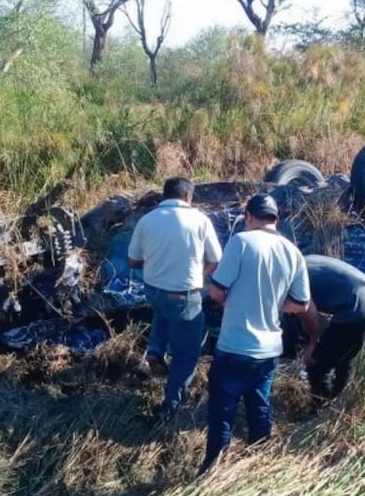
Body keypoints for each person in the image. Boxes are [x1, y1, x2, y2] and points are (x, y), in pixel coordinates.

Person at [200, 193, 311, 474]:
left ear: (248, 216)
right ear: (276, 219)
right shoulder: (293, 252)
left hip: (235, 346)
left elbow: (216, 290)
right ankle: (259, 469)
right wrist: (273, 303)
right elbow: (302, 304)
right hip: (269, 350)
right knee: (260, 410)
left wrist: (232, 300)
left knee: (222, 414)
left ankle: (212, 474)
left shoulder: (241, 242)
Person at [128, 176, 222, 420]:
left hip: (153, 290)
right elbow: (215, 259)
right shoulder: (200, 220)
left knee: (163, 311)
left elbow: (132, 260)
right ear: (189, 197)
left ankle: (155, 351)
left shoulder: (147, 220)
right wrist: (199, 276)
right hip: (183, 296)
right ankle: (170, 407)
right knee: (187, 355)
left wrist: (155, 263)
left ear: (164, 195)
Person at [298, 254, 365, 406]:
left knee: (316, 364)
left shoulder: (292, 276)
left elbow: (309, 311)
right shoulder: (308, 260)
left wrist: (312, 344)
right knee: (343, 358)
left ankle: (319, 411)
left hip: (357, 312)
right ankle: (339, 401)